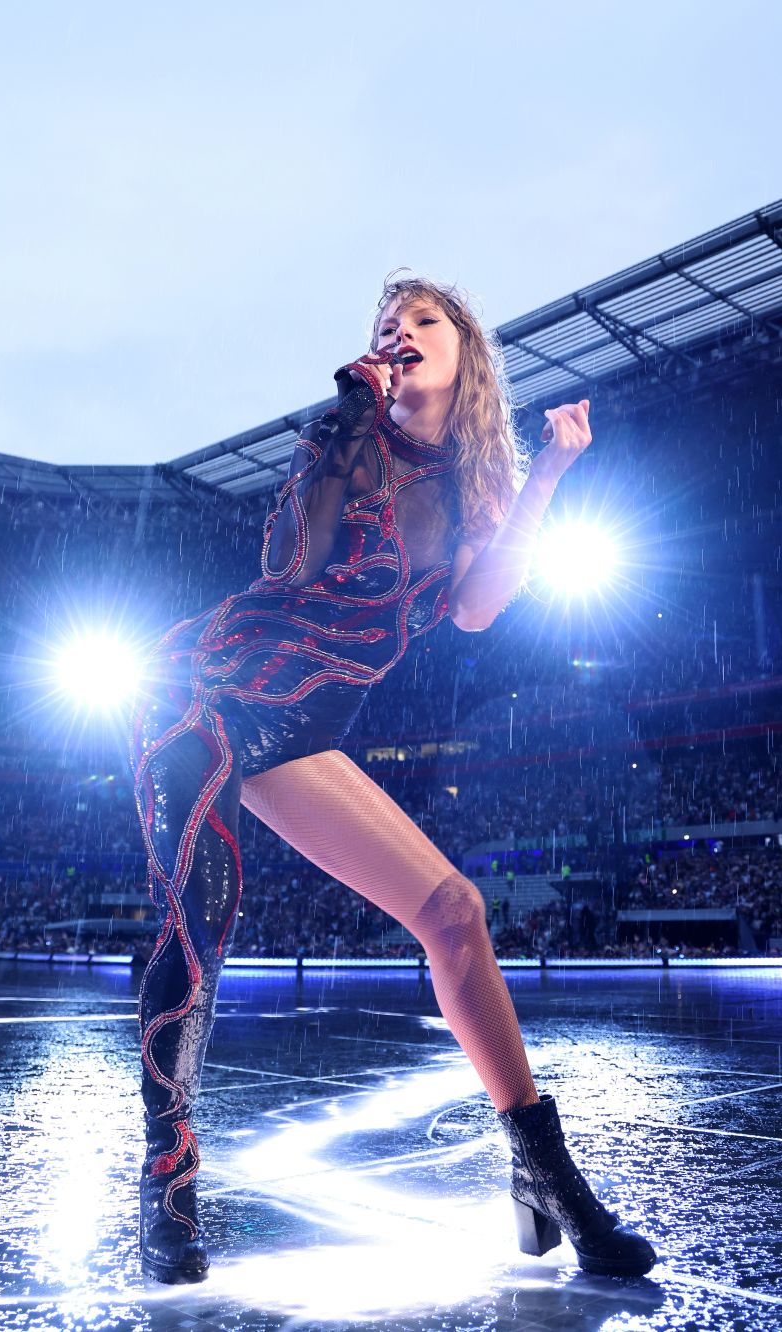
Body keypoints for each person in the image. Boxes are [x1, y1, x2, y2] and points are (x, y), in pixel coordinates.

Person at [129, 273, 657, 1284]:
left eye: (424, 321)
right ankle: (167, 1192)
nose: (400, 333)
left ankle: (547, 1179)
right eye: (387, 325)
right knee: (201, 917)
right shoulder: (346, 439)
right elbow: (291, 565)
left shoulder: (473, 489)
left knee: (454, 911)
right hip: (198, 689)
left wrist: (550, 469)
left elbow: (477, 608)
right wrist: (343, 416)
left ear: (467, 357)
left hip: (300, 727)